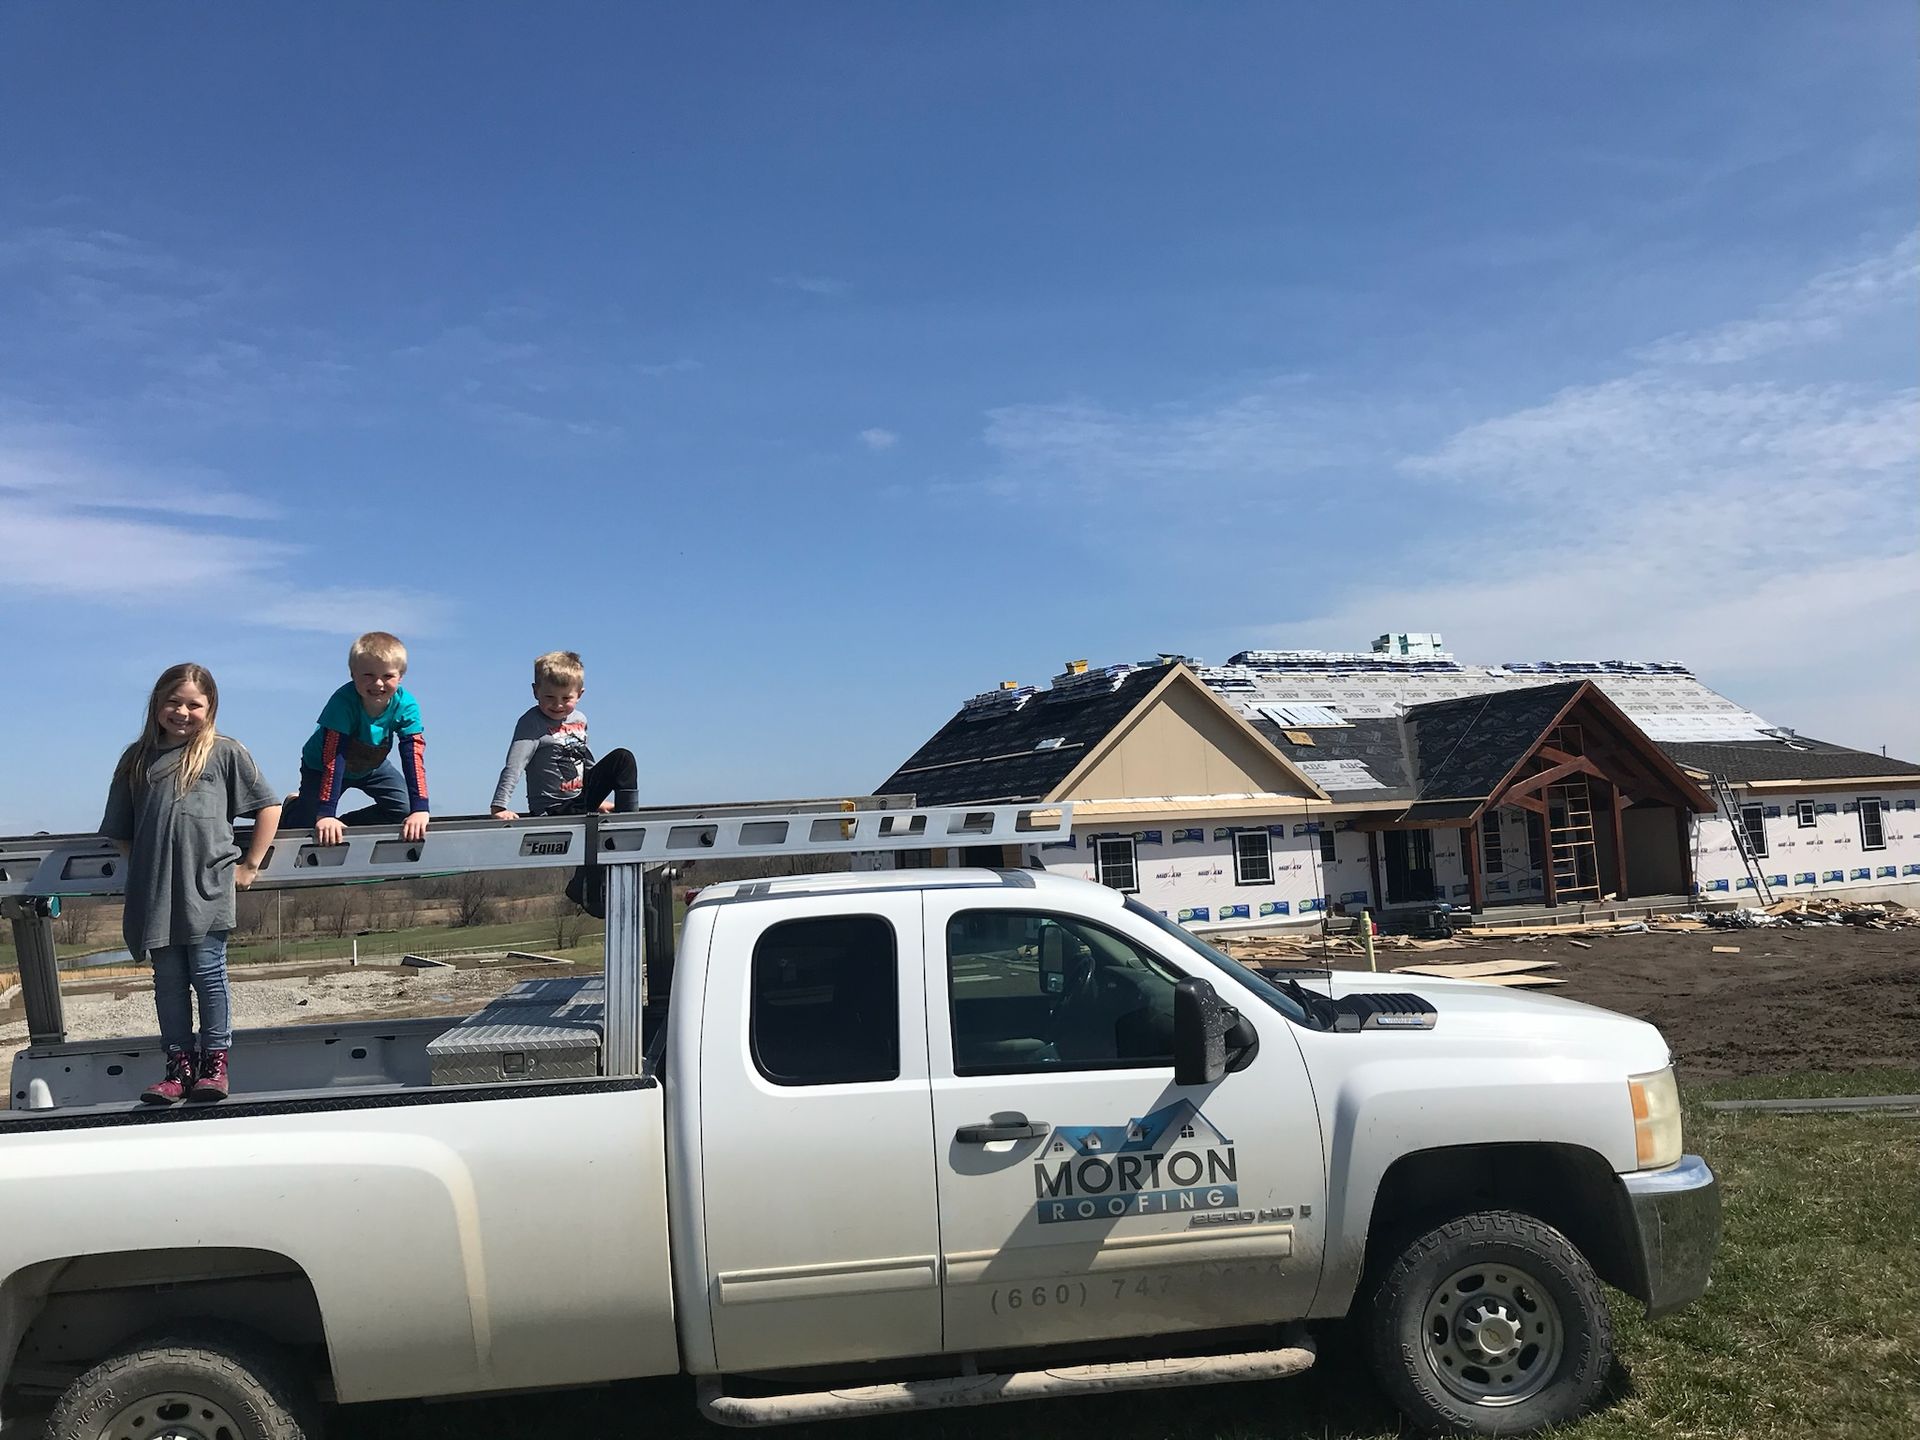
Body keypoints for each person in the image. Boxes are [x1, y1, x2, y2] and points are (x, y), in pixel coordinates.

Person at [101, 664, 281, 1104]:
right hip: (155, 893)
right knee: (168, 980)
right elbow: (120, 830)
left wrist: (250, 864)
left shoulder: (223, 752)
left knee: (208, 974)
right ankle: (178, 1068)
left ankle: (214, 1066)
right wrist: (146, 864)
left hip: (208, 887)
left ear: (210, 707)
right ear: (156, 704)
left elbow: (269, 807)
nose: (182, 711)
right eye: (172, 702)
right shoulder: (136, 758)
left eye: (193, 704)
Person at [281, 631, 430, 846]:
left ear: (401, 676)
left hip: (372, 766)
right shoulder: (343, 702)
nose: (378, 683)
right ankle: (292, 808)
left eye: (387, 676)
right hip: (323, 765)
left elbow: (413, 754)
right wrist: (325, 814)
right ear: (353, 674)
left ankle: (345, 825)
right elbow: (334, 756)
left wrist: (420, 808)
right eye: (368, 675)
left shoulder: (406, 705)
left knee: (404, 810)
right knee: (306, 825)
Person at [490, 650, 639, 819]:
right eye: (549, 696)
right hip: (552, 810)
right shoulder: (532, 723)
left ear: (579, 695)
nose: (558, 704)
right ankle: (626, 821)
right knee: (620, 758)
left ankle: (629, 819)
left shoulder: (579, 719)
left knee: (623, 758)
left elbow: (587, 763)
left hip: (579, 801)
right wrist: (499, 807)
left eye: (566, 698)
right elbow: (514, 766)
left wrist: (597, 799)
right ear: (535, 691)